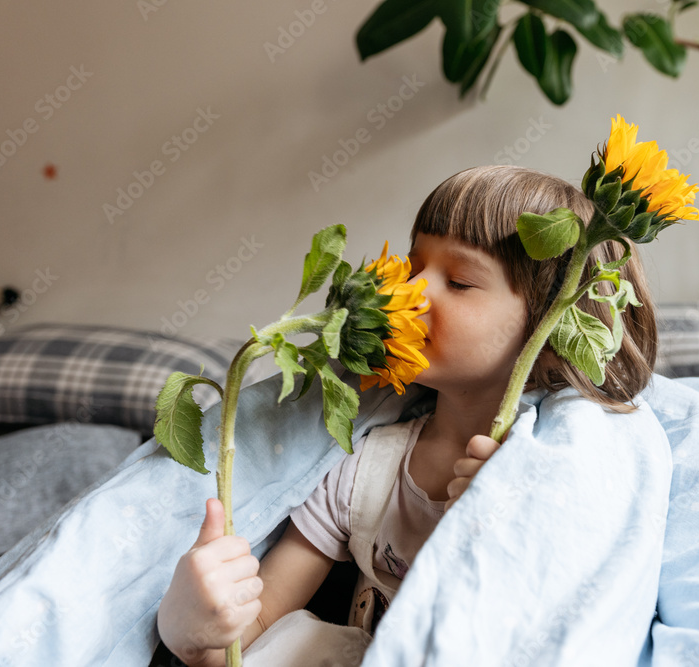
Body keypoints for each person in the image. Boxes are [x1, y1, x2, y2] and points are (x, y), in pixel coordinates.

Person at [155, 165, 658, 667]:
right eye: (412, 266)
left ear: (554, 336)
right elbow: (256, 635)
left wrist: (509, 522)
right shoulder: (363, 473)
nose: (411, 294)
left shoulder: (565, 469)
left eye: (458, 281)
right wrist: (193, 630)